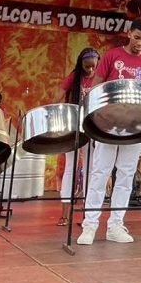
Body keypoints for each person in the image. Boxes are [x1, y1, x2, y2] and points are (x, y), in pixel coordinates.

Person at [77, 19, 141, 245]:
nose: (140, 43)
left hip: (133, 125)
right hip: (109, 123)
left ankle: (115, 225)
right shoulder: (112, 56)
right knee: (100, 173)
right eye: (137, 37)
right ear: (129, 33)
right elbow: (97, 87)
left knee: (125, 175)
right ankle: (90, 226)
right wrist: (99, 115)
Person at [58, 48, 99, 226]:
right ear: (80, 64)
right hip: (74, 126)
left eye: (93, 67)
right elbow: (57, 95)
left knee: (91, 168)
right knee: (70, 168)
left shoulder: (100, 78)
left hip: (92, 127)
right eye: (86, 66)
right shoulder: (74, 77)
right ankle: (65, 214)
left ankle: (87, 215)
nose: (90, 70)